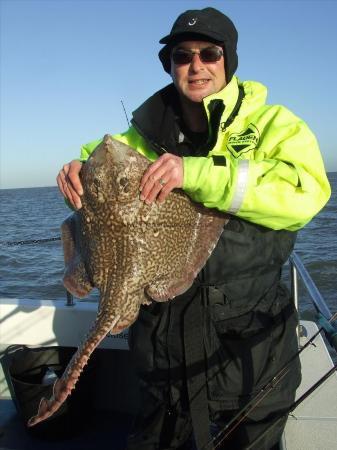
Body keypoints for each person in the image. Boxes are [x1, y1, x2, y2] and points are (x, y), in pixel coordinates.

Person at [57, 7, 331, 450]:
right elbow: (105, 156)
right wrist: (75, 167)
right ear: (169, 65)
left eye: (210, 53)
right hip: (162, 353)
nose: (196, 65)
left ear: (229, 60)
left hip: (248, 348)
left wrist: (197, 174)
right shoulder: (141, 135)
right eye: (182, 56)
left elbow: (305, 194)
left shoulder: (274, 125)